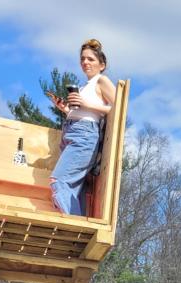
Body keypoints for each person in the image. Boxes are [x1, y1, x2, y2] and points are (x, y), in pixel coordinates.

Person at [47, 39, 116, 216]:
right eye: (83, 59)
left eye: (90, 59)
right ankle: (74, 224)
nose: (85, 62)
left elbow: (118, 107)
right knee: (72, 187)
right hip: (72, 131)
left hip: (84, 134)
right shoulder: (86, 86)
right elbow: (84, 110)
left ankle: (72, 230)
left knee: (59, 180)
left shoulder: (102, 81)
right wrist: (66, 110)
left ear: (102, 64)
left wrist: (85, 103)